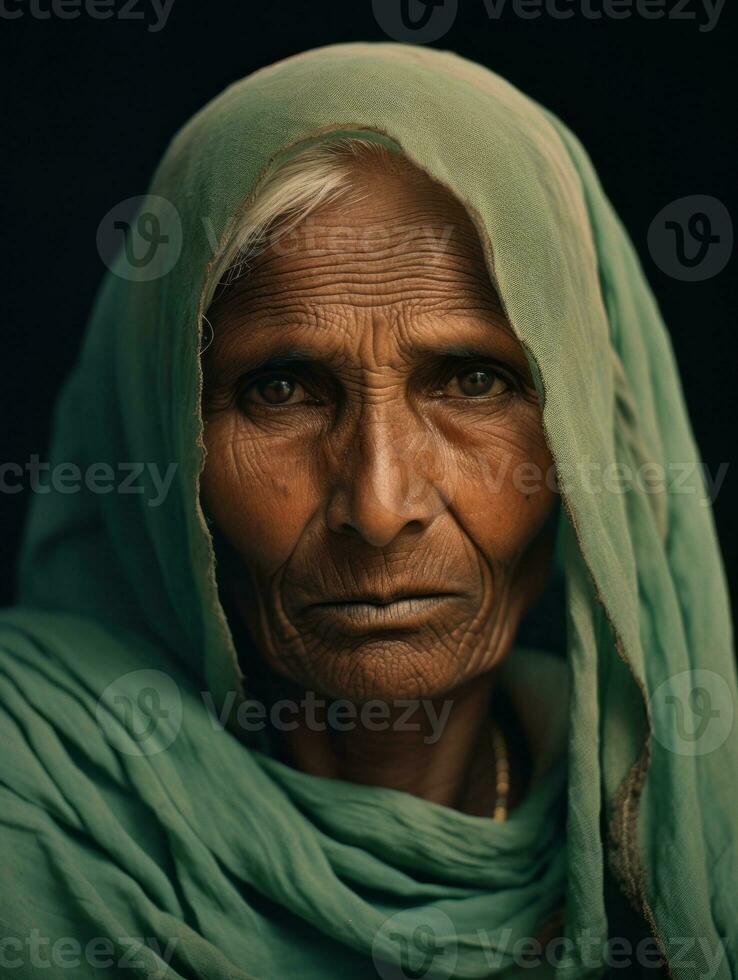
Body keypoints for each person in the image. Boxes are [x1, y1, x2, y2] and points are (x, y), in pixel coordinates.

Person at [0, 42, 735, 980]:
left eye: (473, 381)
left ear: (584, 442)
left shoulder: (681, 832)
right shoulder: (33, 807)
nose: (380, 506)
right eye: (281, 390)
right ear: (163, 433)